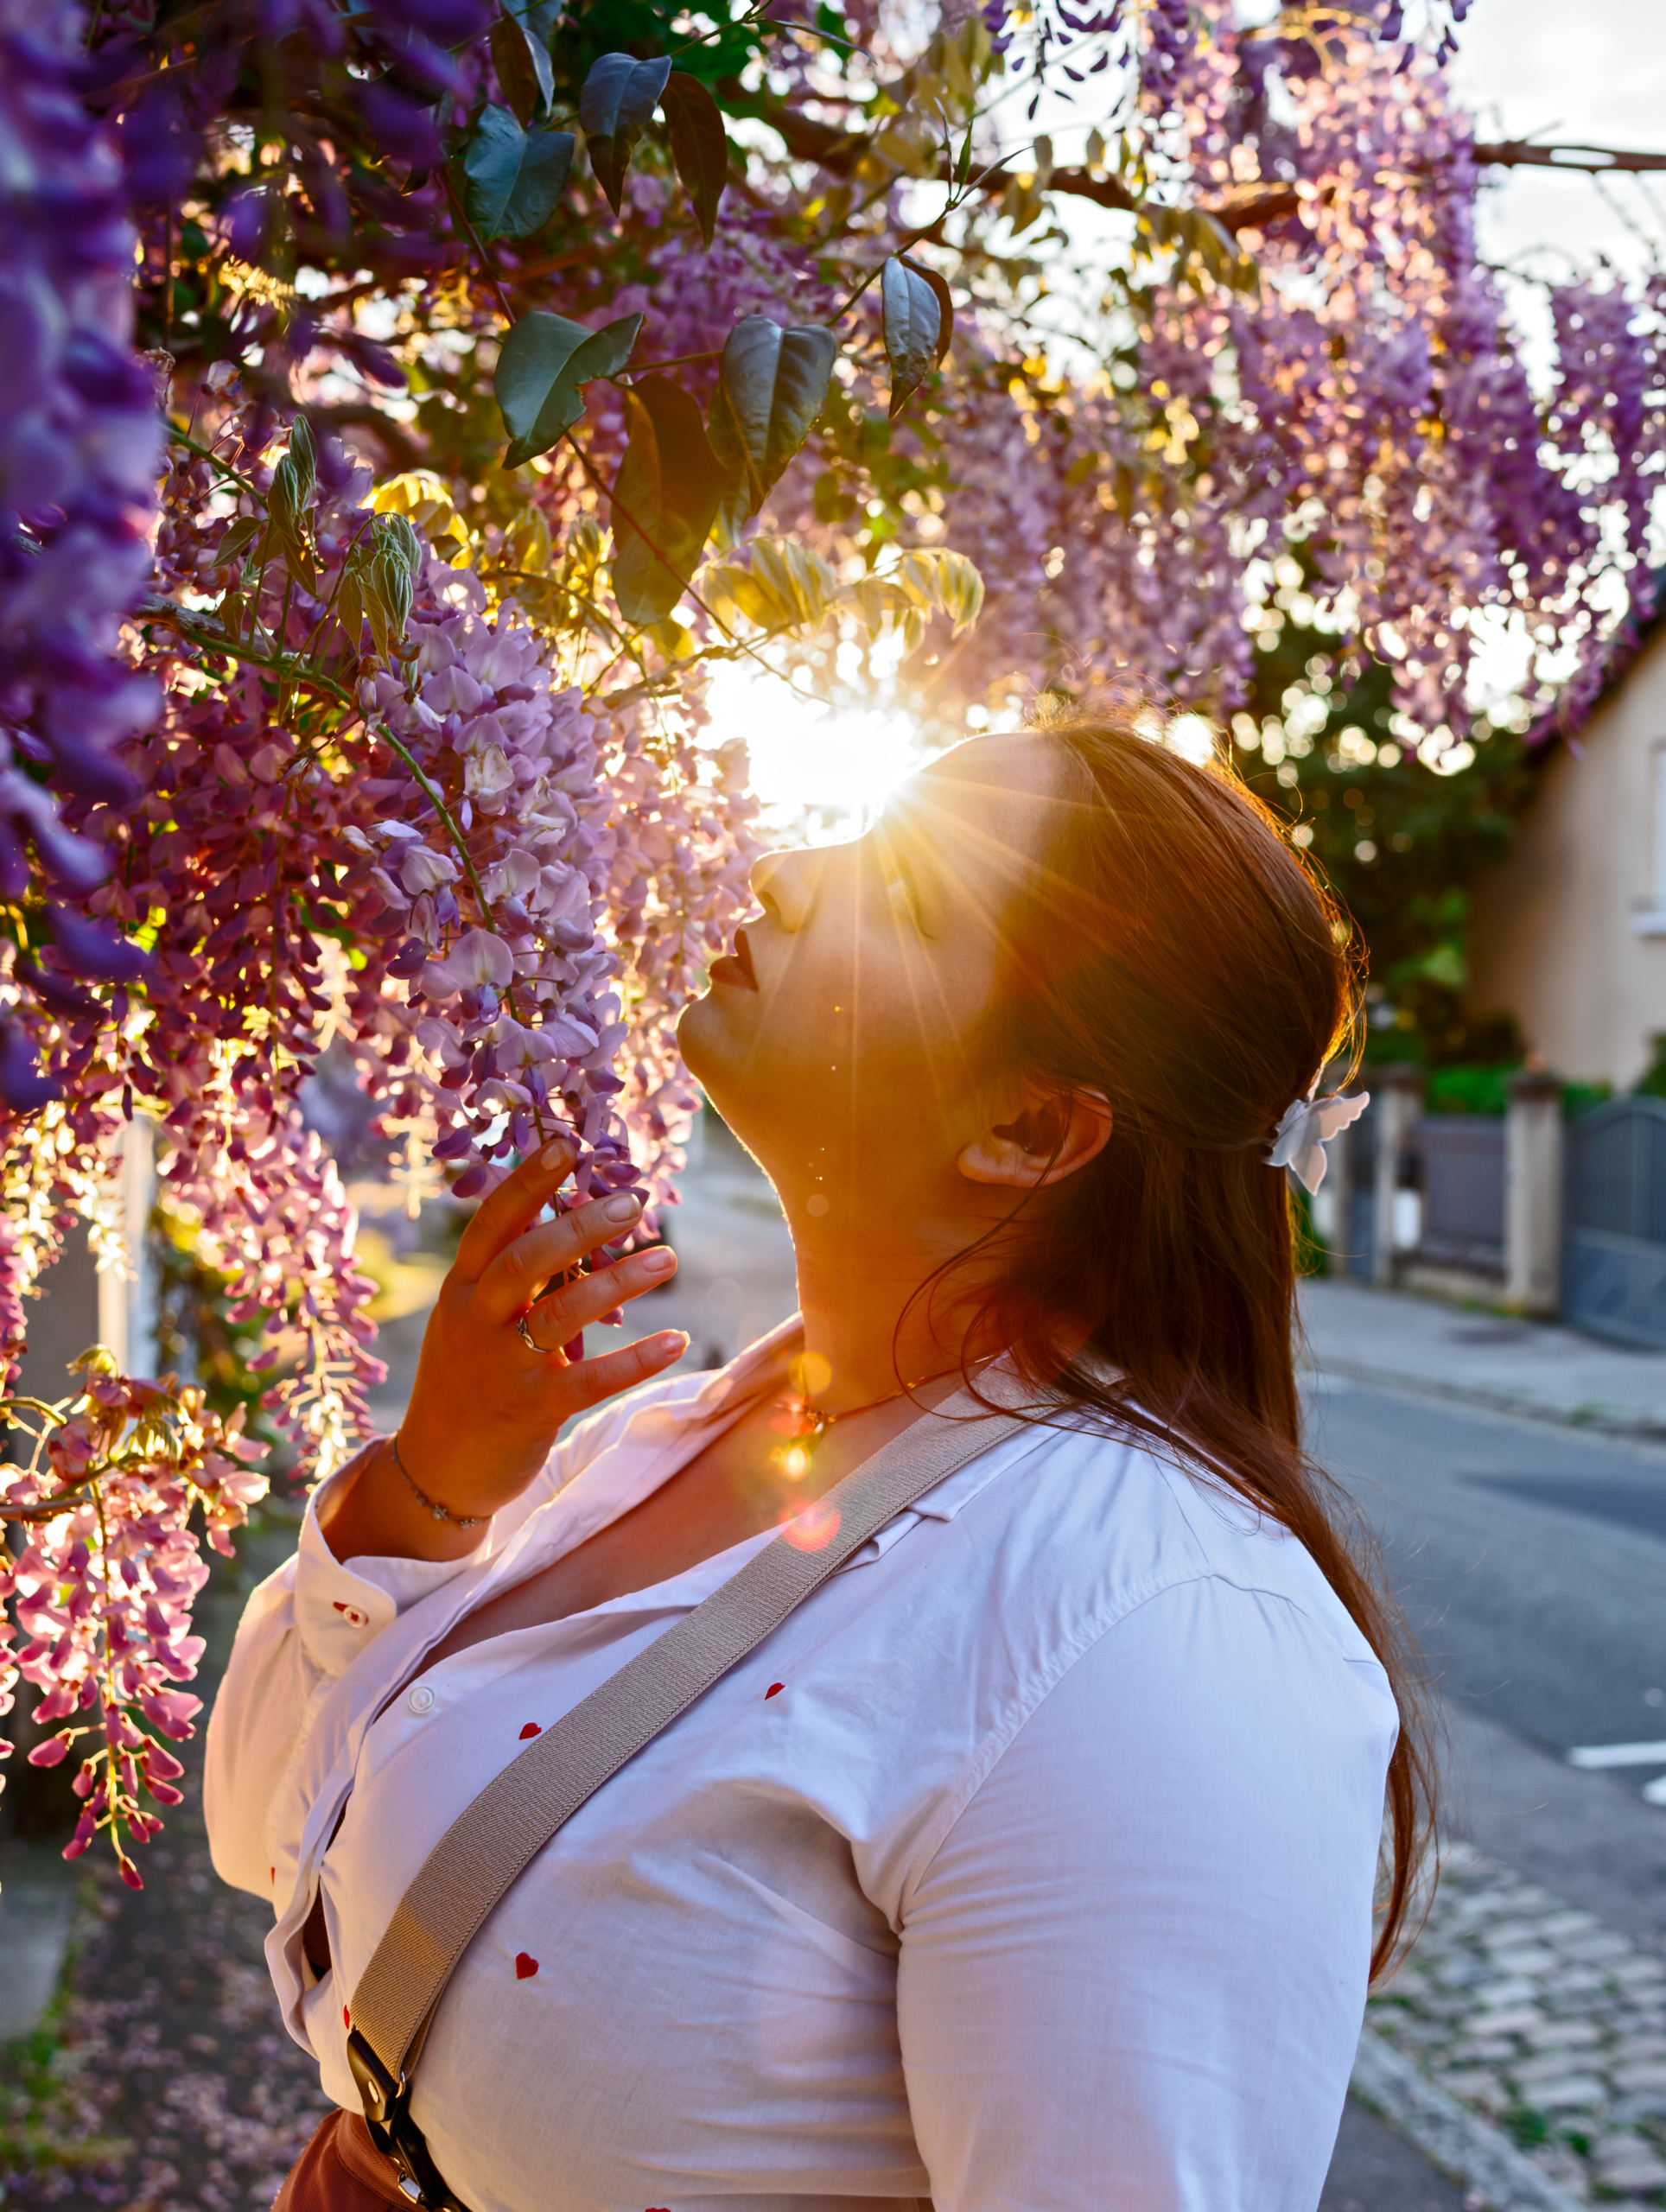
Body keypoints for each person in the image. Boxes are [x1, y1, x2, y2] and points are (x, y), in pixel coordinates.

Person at [207, 700, 1431, 2212]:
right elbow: (264, 1831)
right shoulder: (672, 1431)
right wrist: (430, 1494)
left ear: (1031, 1127)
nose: (787, 869)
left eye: (904, 894)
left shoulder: (1156, 1631)